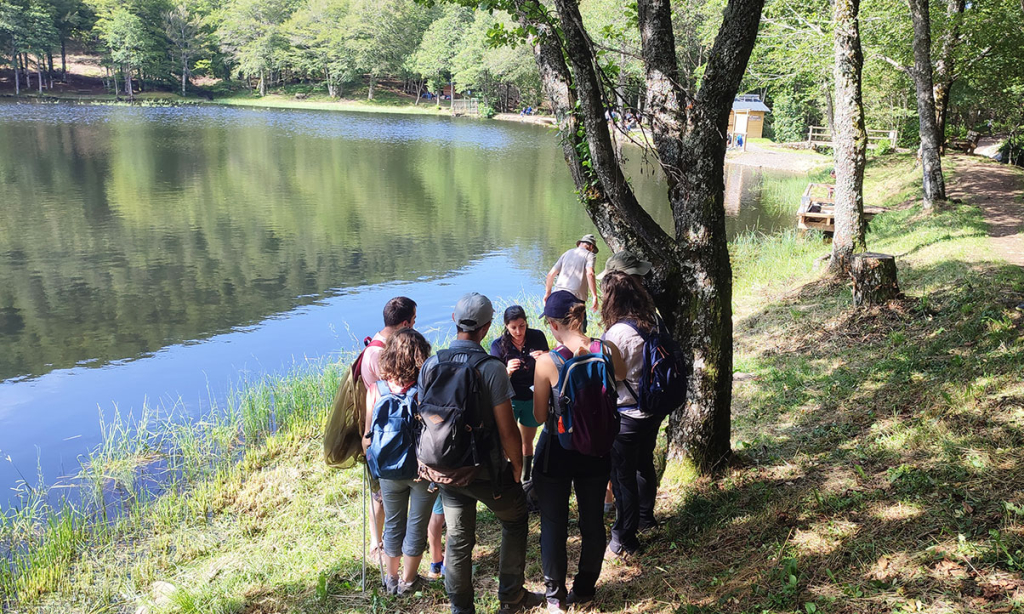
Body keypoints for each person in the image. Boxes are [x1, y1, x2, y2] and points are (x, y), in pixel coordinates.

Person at [417, 292, 544, 614]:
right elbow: (507, 429)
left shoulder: (432, 363)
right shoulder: (491, 368)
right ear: (487, 327)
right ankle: (511, 598)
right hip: (487, 470)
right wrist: (517, 467)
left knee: (459, 539)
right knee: (514, 522)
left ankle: (461, 609)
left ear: (454, 322)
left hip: (447, 468)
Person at [531, 291, 626, 613]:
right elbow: (622, 377)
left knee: (554, 524)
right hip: (597, 447)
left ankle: (555, 598)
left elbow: (540, 416)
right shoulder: (607, 349)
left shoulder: (547, 362)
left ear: (554, 324)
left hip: (558, 449)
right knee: (592, 520)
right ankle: (585, 588)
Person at [364, 328, 435, 595]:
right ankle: (408, 581)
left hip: (388, 470)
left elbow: (367, 435)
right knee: (417, 525)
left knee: (394, 523)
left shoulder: (376, 389)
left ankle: (391, 579)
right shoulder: (425, 388)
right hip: (421, 468)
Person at [600, 272, 664, 562]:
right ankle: (645, 517)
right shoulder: (651, 324)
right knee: (643, 464)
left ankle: (623, 539)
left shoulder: (616, 334)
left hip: (626, 414)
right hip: (651, 408)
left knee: (621, 476)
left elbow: (614, 375)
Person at [362, 297, 418, 561]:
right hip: (384, 438)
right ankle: (376, 544)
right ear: (405, 323)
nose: (415, 325)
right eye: (414, 321)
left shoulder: (378, 344)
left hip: (386, 435)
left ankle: (385, 543)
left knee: (386, 496)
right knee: (381, 495)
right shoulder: (378, 354)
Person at [489, 305, 550, 482]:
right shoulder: (498, 345)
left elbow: (549, 362)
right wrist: (507, 371)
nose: (518, 331)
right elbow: (494, 379)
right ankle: (506, 478)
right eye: (513, 327)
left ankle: (525, 478)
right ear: (506, 327)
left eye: (522, 326)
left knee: (527, 440)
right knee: (506, 441)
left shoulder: (537, 336)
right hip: (510, 399)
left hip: (532, 396)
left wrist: (544, 357)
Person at [545, 234, 599, 310]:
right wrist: (594, 296)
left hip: (557, 295)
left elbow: (551, 274)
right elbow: (590, 274)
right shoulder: (590, 255)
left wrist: (548, 293)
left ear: (580, 244)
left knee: (557, 320)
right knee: (578, 321)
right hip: (575, 298)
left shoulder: (567, 253)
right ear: (591, 247)